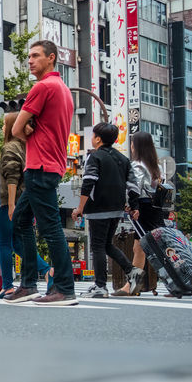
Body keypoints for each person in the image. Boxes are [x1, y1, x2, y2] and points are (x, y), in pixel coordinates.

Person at [8, 39, 77, 305]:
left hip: (39, 167)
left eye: (36, 55)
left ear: (51, 58)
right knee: (22, 221)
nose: (30, 60)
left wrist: (27, 132)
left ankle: (64, 288)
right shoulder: (63, 88)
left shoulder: (42, 87)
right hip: (52, 166)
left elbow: (15, 129)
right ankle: (28, 285)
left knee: (51, 229)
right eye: (29, 56)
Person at [71, 122, 136, 299]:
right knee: (107, 245)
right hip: (117, 209)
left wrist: (80, 208)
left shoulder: (95, 157)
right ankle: (132, 271)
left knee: (98, 246)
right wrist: (133, 206)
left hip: (98, 207)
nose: (91, 139)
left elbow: (88, 183)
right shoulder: (123, 159)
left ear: (98, 139)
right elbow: (132, 186)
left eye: (93, 136)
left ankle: (100, 286)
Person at [117, 131, 165, 296]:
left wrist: (130, 204)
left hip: (142, 209)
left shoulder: (137, 165)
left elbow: (133, 188)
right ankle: (134, 285)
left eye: (132, 143)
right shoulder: (155, 166)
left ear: (136, 146)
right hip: (155, 209)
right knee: (149, 247)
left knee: (140, 248)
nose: (130, 146)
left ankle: (132, 286)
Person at [0, 113, 26, 298]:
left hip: (9, 202)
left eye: (4, 124)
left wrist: (11, 204)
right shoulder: (24, 147)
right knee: (18, 244)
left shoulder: (10, 148)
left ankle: (7, 285)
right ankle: (47, 269)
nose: (2, 128)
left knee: (4, 244)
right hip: (22, 200)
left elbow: (12, 177)